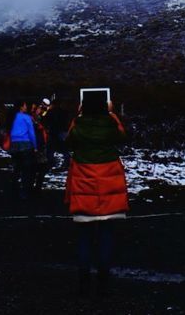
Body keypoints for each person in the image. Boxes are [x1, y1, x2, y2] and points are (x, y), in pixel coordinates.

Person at [65, 94, 129, 297]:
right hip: (109, 184)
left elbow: (69, 142)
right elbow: (122, 137)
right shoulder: (111, 122)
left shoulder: (78, 123)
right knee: (106, 236)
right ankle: (103, 281)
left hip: (84, 183)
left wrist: (78, 116)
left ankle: (84, 282)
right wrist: (113, 115)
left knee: (84, 237)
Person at [7, 100, 38, 200]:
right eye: (25, 105)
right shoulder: (27, 117)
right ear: (21, 107)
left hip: (14, 144)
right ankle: (24, 191)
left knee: (16, 168)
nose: (26, 107)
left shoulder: (13, 117)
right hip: (26, 144)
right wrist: (35, 145)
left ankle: (13, 190)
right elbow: (31, 133)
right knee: (26, 170)